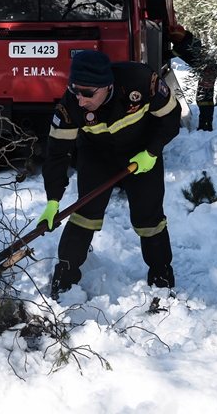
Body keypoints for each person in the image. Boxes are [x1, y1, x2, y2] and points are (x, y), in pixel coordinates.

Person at [38, 50, 181, 298]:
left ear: (107, 85)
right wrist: (53, 201)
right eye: (75, 90)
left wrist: (152, 151)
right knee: (85, 213)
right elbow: (56, 154)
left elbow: (171, 116)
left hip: (140, 153)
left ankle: (161, 275)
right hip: (97, 156)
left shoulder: (140, 81)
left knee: (149, 218)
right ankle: (66, 275)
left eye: (88, 93)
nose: (81, 99)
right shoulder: (70, 106)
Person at [168, 23, 217, 132]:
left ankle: (205, 125)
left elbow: (168, 54)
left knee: (203, 99)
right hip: (211, 69)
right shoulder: (190, 38)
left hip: (207, 71)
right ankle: (207, 124)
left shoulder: (183, 46)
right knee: (208, 98)